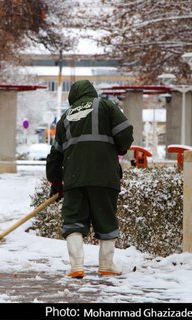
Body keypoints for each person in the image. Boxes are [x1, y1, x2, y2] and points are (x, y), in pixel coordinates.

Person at [46, 80, 133, 279]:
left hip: (74, 178)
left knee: (73, 221)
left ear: (73, 97)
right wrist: (120, 147)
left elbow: (55, 155)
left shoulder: (65, 117)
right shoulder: (105, 105)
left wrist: (56, 182)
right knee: (106, 219)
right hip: (104, 175)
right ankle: (106, 265)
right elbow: (125, 130)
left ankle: (76, 266)